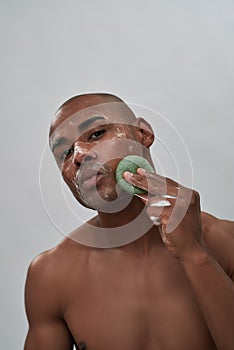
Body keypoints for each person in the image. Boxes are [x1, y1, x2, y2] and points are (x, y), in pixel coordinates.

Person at [24, 93, 234, 350]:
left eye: (96, 134)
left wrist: (195, 254)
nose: (79, 155)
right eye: (66, 153)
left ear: (143, 134)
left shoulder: (226, 242)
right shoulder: (50, 275)